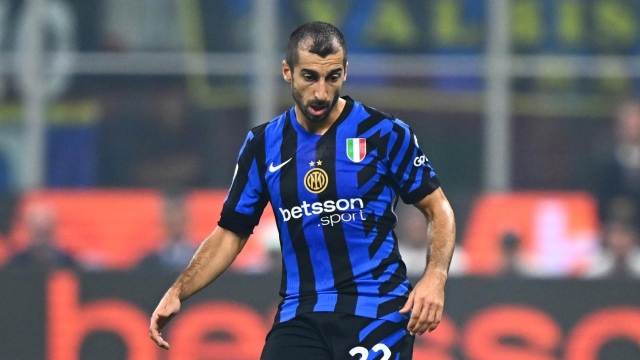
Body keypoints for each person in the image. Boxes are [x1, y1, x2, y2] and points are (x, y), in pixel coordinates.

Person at [149, 22, 456, 359]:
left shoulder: (383, 133)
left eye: (333, 77)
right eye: (310, 77)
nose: (322, 92)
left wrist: (435, 277)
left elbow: (438, 208)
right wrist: (179, 290)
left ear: (345, 71)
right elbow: (230, 234)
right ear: (287, 71)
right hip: (300, 314)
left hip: (377, 310)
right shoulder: (263, 145)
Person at [6, 202, 76, 271]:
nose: (41, 241)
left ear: (54, 230)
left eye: (45, 232)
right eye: (38, 233)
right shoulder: (15, 264)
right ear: (28, 231)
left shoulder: (68, 263)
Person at [137, 196, 198, 271]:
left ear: (188, 220)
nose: (175, 221)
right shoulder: (148, 263)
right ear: (162, 222)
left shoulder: (205, 260)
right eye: (171, 221)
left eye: (179, 220)